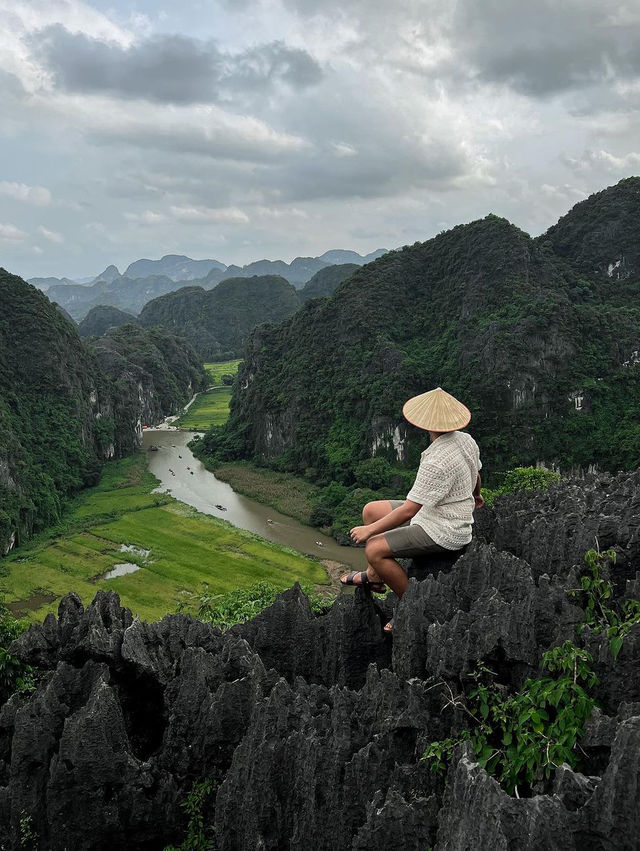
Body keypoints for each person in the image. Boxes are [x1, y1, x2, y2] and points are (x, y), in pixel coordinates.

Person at [340, 387, 483, 633]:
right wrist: (476, 493)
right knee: (371, 510)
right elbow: (476, 472)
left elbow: (408, 511)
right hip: (432, 512)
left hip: (445, 529)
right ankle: (374, 577)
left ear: (426, 422)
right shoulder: (465, 439)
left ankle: (411, 605)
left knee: (373, 548)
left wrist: (368, 532)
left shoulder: (437, 460)